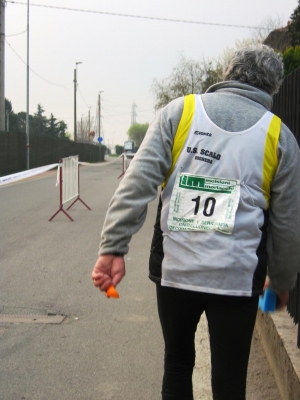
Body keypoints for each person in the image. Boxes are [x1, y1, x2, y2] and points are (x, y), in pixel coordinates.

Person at [92, 44, 300, 400]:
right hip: (237, 279)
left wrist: (113, 246)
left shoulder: (179, 112)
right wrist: (280, 281)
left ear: (226, 73)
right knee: (230, 380)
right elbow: (287, 225)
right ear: (274, 87)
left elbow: (137, 184)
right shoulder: (279, 137)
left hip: (176, 273)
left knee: (176, 365)